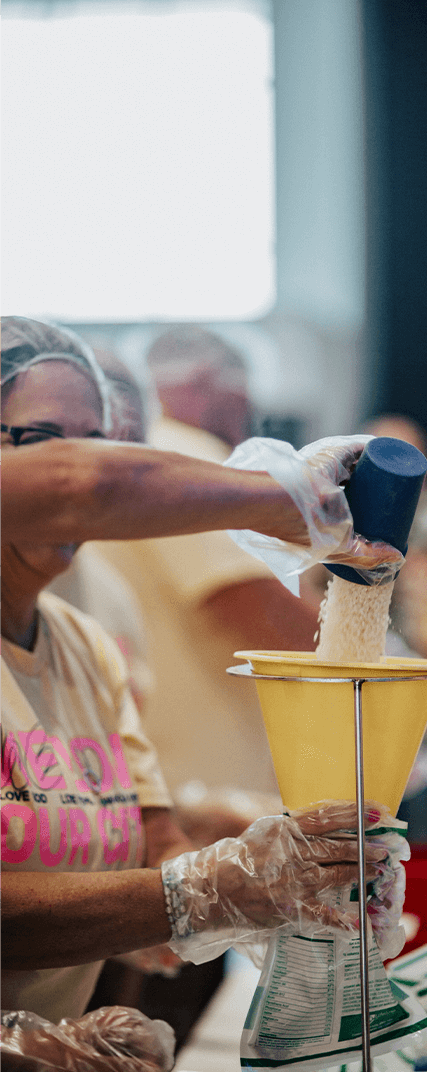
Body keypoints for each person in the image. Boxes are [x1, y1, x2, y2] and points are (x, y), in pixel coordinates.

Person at [2, 317, 391, 1035]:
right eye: (39, 436)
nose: (79, 462)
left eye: (98, 436)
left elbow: (149, 837)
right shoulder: (167, 470)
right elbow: (82, 484)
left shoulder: (86, 645)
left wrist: (243, 871)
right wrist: (298, 499)